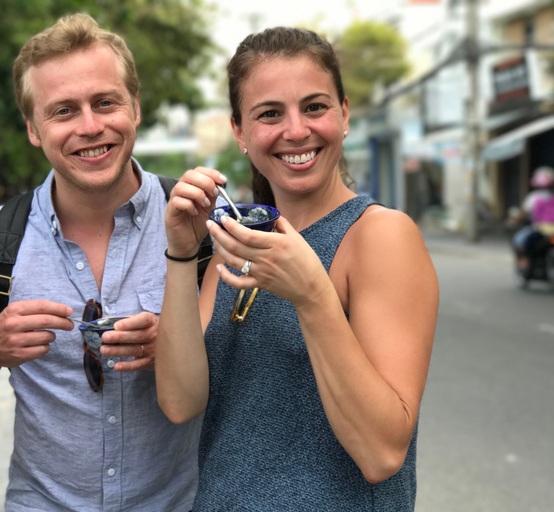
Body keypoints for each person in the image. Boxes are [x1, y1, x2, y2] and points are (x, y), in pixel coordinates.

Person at [0, 14, 201, 511]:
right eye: (63, 111)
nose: (90, 126)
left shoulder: (198, 222)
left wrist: (180, 346)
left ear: (135, 108)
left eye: (105, 102)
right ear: (33, 129)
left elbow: (256, 379)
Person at [156, 26, 439, 510]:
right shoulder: (238, 240)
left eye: (315, 107)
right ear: (240, 133)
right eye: (270, 113)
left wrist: (311, 294)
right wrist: (183, 253)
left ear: (344, 114)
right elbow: (181, 402)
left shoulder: (380, 235)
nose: (296, 130)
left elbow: (382, 451)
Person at [510, 166, 554, 271]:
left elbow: (523, 214)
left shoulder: (534, 197)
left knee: (523, 239)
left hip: (540, 230)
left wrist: (514, 219)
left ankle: (525, 260)